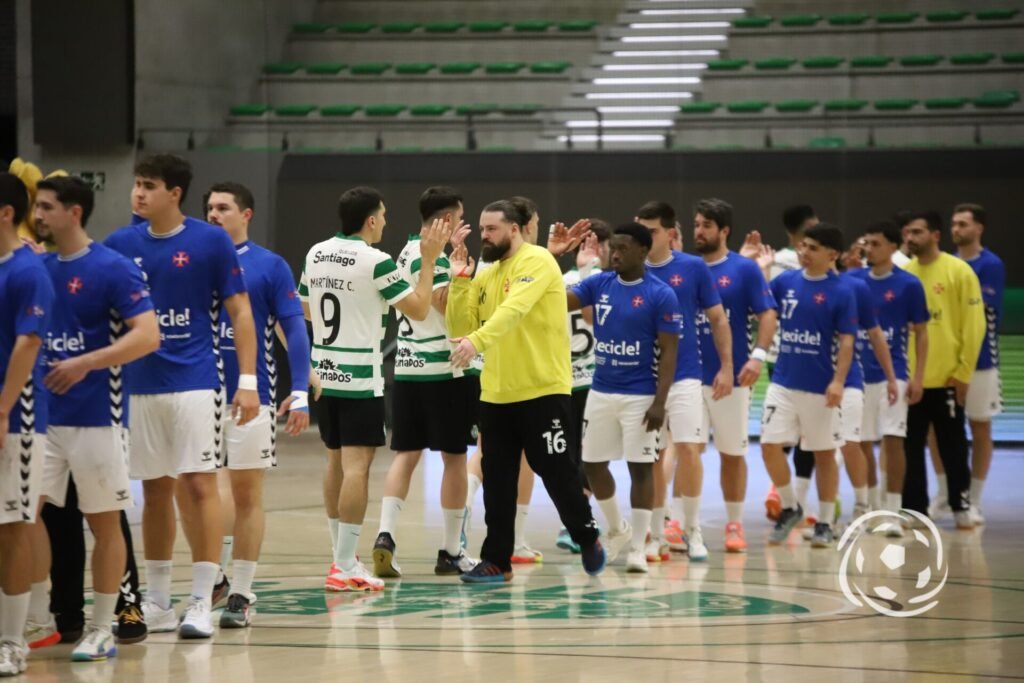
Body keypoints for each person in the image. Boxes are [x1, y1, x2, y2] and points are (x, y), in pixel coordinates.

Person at [104, 154, 260, 640]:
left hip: (196, 380)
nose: (138, 193)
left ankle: (199, 599)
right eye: (136, 185)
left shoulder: (210, 241)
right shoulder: (119, 244)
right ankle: (158, 600)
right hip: (140, 384)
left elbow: (241, 314)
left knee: (198, 484)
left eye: (149, 185)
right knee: (153, 491)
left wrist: (249, 382)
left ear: (174, 193)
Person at [31, 176, 159, 660]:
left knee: (104, 522)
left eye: (46, 207)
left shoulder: (114, 268)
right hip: (42, 420)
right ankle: (39, 619)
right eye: (35, 207)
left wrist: (86, 362)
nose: (38, 216)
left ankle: (104, 626)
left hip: (97, 419)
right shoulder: (37, 267)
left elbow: (147, 336)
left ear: (74, 212)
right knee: (25, 517)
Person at [300, 186, 451, 592]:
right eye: (382, 215)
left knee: (334, 464)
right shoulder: (376, 261)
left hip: (323, 374)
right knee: (356, 469)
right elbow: (420, 309)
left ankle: (339, 558)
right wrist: (430, 261)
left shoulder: (316, 253)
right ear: (370, 220)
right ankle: (346, 563)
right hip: (360, 379)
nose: (385, 221)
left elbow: (305, 309)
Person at [447, 199, 604, 583]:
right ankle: (496, 560)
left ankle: (586, 536)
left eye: (491, 229)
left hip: (542, 390)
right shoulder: (484, 273)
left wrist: (477, 341)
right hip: (497, 394)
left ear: (514, 230)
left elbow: (513, 309)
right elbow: (458, 324)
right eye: (481, 229)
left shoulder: (537, 261)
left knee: (558, 474)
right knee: (497, 482)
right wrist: (458, 280)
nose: (483, 235)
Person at [204, 182, 312, 626]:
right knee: (203, 493)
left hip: (254, 398)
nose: (213, 214)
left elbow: (294, 328)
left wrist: (302, 387)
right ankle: (209, 580)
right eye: (209, 207)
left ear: (245, 214)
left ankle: (241, 592)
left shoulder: (269, 265)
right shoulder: (190, 258)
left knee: (244, 493)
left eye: (223, 207)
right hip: (195, 396)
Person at [372, 186, 477, 579]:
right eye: (459, 217)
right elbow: (446, 306)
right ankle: (451, 550)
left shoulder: (404, 250)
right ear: (445, 220)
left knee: (405, 453)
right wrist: (463, 273)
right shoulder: (429, 257)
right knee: (454, 458)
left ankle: (385, 535)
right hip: (443, 369)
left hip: (407, 369)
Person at [570, 223, 681, 573]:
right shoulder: (599, 284)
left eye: (622, 248)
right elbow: (559, 300)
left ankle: (638, 547)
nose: (613, 254)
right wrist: (555, 257)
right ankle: (618, 527)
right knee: (591, 464)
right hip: (601, 389)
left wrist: (660, 402)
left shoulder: (660, 294)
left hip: (640, 395)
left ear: (643, 251)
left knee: (641, 468)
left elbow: (669, 353)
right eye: (611, 248)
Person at [637, 201, 731, 562]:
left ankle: (691, 530)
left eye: (654, 230)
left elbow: (718, 320)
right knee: (653, 456)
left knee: (689, 449)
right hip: (642, 381)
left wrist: (726, 366)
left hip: (687, 376)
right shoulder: (628, 267)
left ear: (671, 233)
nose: (646, 236)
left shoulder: (693, 268)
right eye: (641, 228)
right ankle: (657, 534)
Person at [761, 223, 857, 547]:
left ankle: (827, 522)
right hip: (784, 380)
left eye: (813, 248)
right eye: (803, 246)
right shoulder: (786, 281)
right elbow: (763, 308)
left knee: (824, 454)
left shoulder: (842, 291)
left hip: (820, 386)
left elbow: (846, 341)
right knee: (769, 445)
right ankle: (790, 506)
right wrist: (761, 270)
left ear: (833, 255)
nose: (804, 252)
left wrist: (839, 381)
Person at [692, 199, 778, 553]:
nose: (699, 231)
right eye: (696, 224)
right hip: (688, 376)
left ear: (724, 231)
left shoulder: (744, 270)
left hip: (732, 378)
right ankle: (683, 524)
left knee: (731, 453)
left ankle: (734, 523)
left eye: (707, 225)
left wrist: (757, 358)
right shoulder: (688, 268)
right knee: (687, 450)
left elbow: (768, 315)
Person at [0, 172, 54, 676]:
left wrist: (1, 408)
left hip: (17, 420)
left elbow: (29, 342)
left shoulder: (27, 271)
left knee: (13, 524)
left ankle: (12, 639)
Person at [902, 211, 985, 527]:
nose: (911, 238)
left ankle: (961, 505)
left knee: (953, 446)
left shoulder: (959, 272)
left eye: (918, 232)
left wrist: (964, 372)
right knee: (911, 447)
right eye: (908, 233)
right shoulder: (905, 274)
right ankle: (915, 509)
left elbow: (974, 326)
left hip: (948, 378)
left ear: (935, 235)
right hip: (913, 381)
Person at [851, 221, 929, 537]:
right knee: (862, 442)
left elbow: (922, 332)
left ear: (893, 247)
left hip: (893, 374)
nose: (870, 249)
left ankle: (894, 512)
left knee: (893, 439)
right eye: (867, 242)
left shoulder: (908, 285)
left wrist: (918, 377)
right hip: (859, 373)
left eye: (877, 243)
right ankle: (870, 508)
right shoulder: (854, 281)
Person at [943, 203, 1003, 525]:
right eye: (954, 224)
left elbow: (983, 313)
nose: (957, 230)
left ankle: (975, 499)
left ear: (979, 228)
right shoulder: (946, 264)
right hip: (945, 363)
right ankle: (946, 493)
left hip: (980, 362)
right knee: (939, 431)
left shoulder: (990, 265)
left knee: (979, 426)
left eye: (963, 224)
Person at [556, 221, 612, 553]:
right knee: (582, 457)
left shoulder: (605, 281)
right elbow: (594, 318)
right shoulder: (581, 281)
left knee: (589, 456)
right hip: (579, 380)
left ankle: (577, 521)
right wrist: (588, 270)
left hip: (593, 380)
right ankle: (575, 523)